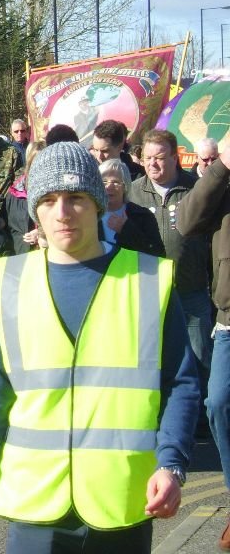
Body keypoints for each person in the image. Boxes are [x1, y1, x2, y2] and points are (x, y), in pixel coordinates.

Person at [0, 141, 199, 553]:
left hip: (123, 498)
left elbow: (181, 382)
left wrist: (171, 463)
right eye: (48, 200)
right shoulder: (8, 282)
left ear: (98, 203)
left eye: (75, 199)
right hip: (35, 504)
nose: (62, 213)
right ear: (35, 209)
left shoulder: (147, 280)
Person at [129, 129, 212, 432]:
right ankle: (161, 419)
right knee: (155, 358)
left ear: (175, 158)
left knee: (199, 356)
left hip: (191, 290)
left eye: (160, 158)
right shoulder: (133, 191)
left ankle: (200, 424)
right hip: (149, 293)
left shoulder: (196, 189)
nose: (153, 164)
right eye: (148, 158)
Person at [178, 141, 230, 549]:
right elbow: (187, 221)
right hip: (229, 319)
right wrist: (221, 165)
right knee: (219, 402)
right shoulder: (220, 183)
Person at [97, 158, 164, 257]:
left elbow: (156, 253)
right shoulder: (88, 215)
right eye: (104, 182)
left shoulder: (142, 216)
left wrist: (126, 229)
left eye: (116, 182)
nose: (109, 187)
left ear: (125, 186)